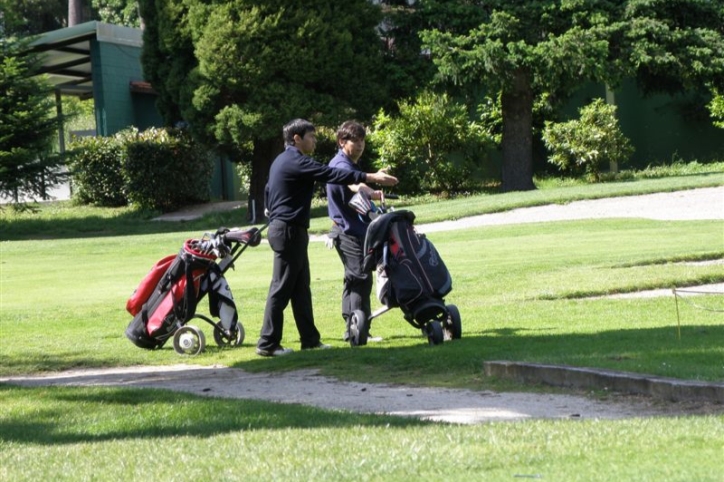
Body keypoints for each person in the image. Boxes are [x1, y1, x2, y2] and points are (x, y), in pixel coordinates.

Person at [256, 118, 398, 357]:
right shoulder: (295, 160)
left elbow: (268, 191)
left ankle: (310, 340)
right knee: (280, 287)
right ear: (297, 138)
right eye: (311, 136)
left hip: (291, 230)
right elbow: (329, 173)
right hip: (288, 230)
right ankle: (267, 343)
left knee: (301, 288)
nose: (315, 140)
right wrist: (371, 177)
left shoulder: (281, 160)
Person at [326, 121, 383, 342]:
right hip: (347, 232)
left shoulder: (348, 163)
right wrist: (373, 190)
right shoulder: (341, 165)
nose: (360, 145)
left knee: (352, 278)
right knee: (361, 277)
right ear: (342, 142)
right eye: (355, 141)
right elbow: (354, 185)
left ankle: (352, 328)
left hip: (349, 230)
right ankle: (360, 330)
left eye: (362, 140)